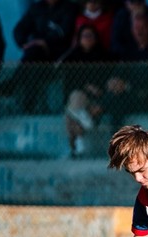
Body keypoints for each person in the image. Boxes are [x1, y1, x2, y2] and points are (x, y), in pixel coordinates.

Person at [58, 24, 113, 157]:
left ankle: (75, 147)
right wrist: (87, 87)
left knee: (70, 114)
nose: (87, 39)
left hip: (97, 98)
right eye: (84, 36)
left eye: (90, 36)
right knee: (76, 98)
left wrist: (95, 89)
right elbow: (70, 83)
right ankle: (82, 125)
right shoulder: (72, 57)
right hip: (79, 97)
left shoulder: (104, 57)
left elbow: (106, 81)